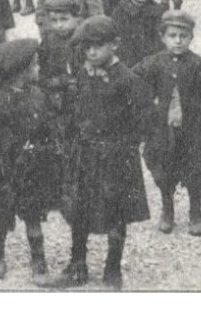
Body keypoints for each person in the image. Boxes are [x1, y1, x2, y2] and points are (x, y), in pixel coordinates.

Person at [60, 15, 151, 290]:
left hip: (116, 156)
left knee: (116, 210)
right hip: (86, 153)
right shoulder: (82, 74)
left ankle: (113, 268)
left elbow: (143, 117)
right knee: (79, 208)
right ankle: (77, 264)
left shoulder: (128, 79)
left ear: (116, 45)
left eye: (98, 46)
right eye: (87, 47)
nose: (91, 52)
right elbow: (75, 109)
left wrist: (127, 145)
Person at [0, 37, 61, 285]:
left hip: (32, 170)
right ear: (22, 70)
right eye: (36, 65)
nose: (39, 69)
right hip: (3, 171)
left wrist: (44, 147)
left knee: (33, 216)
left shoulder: (38, 96)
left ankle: (39, 260)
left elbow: (48, 128)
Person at [135, 10, 201, 235]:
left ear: (191, 37)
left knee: (195, 165)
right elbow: (134, 82)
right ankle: (167, 209)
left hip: (193, 127)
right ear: (163, 37)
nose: (177, 41)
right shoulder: (153, 63)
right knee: (163, 165)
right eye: (172, 35)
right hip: (162, 127)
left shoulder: (198, 64)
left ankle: (195, 211)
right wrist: (147, 107)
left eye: (183, 36)